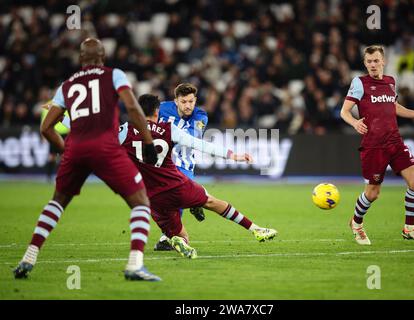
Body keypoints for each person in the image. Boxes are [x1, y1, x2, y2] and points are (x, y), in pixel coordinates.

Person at [13, 38, 161, 282]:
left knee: (57, 202)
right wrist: (147, 142)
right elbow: (133, 109)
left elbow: (47, 127)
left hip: (76, 148)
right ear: (103, 56)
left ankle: (28, 257)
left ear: (81, 59)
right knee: (141, 202)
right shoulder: (114, 75)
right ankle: (135, 265)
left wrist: (65, 151)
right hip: (106, 148)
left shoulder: (67, 85)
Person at [121, 94, 278, 258]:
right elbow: (201, 145)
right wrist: (233, 155)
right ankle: (255, 229)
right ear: (157, 111)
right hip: (175, 185)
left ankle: (176, 240)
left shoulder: (125, 130)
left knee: (182, 237)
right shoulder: (169, 129)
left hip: (150, 196)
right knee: (212, 202)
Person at [340, 45, 414, 245]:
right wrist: (355, 122)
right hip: (374, 145)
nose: (373, 65)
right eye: (369, 62)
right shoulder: (359, 83)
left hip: (395, 141)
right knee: (373, 193)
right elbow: (344, 111)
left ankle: (409, 227)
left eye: (376, 61)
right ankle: (356, 223)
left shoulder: (391, 82)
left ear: (383, 61)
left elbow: (393, 106)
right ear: (365, 63)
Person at [155, 83, 208, 251]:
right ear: (175, 101)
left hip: (183, 163)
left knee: (176, 199)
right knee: (160, 202)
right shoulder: (162, 108)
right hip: (160, 162)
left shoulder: (200, 116)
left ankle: (167, 237)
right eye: (184, 101)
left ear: (195, 100)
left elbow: (194, 138)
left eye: (191, 101)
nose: (188, 105)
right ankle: (195, 200)